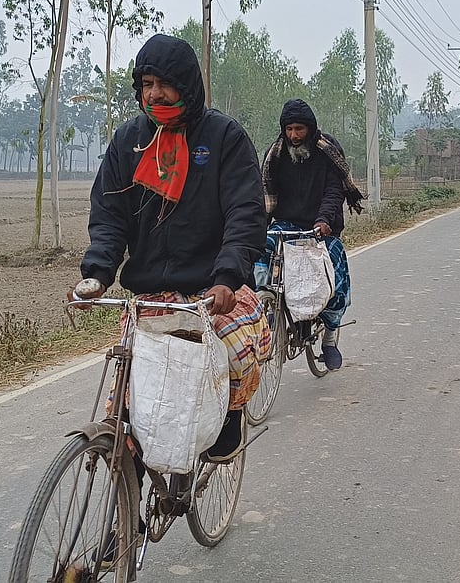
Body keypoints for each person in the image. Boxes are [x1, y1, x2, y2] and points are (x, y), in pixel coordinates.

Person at [72, 33, 269, 465]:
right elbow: (109, 215)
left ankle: (230, 414)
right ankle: (126, 524)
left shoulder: (224, 138)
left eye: (164, 83)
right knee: (126, 410)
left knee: (233, 355)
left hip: (210, 290)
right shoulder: (128, 141)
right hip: (148, 296)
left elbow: (244, 214)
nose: (154, 93)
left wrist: (226, 278)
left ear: (188, 85)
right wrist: (97, 273)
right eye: (145, 83)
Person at [257, 98, 364, 370]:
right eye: (289, 129)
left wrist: (324, 220)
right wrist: (258, 224)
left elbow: (334, 190)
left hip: (321, 225)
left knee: (335, 274)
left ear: (310, 128)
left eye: (299, 129)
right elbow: (266, 194)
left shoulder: (327, 151)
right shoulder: (275, 154)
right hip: (287, 223)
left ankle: (329, 337)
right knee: (260, 248)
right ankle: (265, 305)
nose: (294, 135)